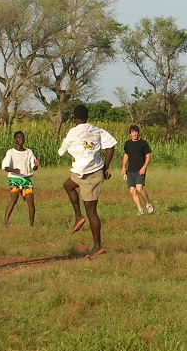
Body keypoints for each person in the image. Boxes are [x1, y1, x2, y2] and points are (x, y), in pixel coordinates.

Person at [58, 105, 117, 260]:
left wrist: (69, 148)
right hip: (86, 170)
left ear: (75, 117)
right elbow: (111, 145)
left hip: (89, 175)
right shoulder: (96, 130)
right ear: (87, 116)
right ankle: (78, 217)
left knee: (91, 212)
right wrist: (106, 166)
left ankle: (97, 246)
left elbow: (61, 152)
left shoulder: (73, 132)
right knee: (68, 185)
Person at [2, 131, 39, 226]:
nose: (20, 139)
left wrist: (35, 166)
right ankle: (5, 222)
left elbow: (33, 167)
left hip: (25, 179)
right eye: (18, 138)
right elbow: (5, 167)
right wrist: (13, 170)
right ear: (15, 140)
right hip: (14, 178)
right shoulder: (11, 152)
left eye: (22, 138)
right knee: (14, 198)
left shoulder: (29, 152)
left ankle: (31, 225)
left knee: (30, 202)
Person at [121, 124, 155, 215]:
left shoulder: (143, 143)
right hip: (130, 170)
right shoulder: (127, 144)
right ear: (130, 134)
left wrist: (144, 167)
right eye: (133, 132)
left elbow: (148, 156)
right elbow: (126, 155)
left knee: (139, 188)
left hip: (140, 170)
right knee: (132, 190)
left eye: (136, 132)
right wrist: (123, 167)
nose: (135, 134)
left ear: (138, 133)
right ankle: (140, 209)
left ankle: (148, 204)